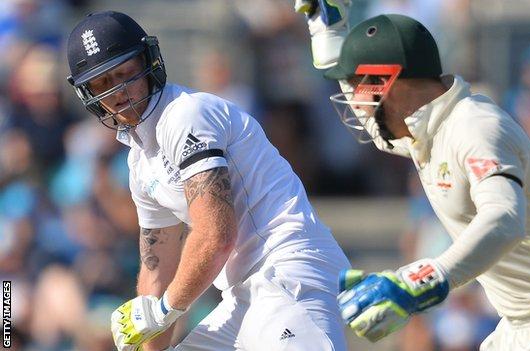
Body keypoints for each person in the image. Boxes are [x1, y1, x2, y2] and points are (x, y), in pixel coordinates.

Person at [296, 3, 530, 350]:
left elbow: (505, 217)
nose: (356, 104)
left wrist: (419, 281)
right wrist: (326, 27)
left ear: (388, 82)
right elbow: (371, 115)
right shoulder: (421, 134)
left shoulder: (475, 126)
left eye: (361, 87)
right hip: (520, 327)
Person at [65, 10, 350, 351]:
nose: (118, 92)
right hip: (242, 294)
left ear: (147, 62)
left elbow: (216, 235)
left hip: (288, 271)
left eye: (125, 72)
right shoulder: (140, 161)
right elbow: (159, 267)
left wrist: (164, 310)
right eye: (102, 83)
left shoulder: (186, 114)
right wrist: (148, 335)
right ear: (88, 94)